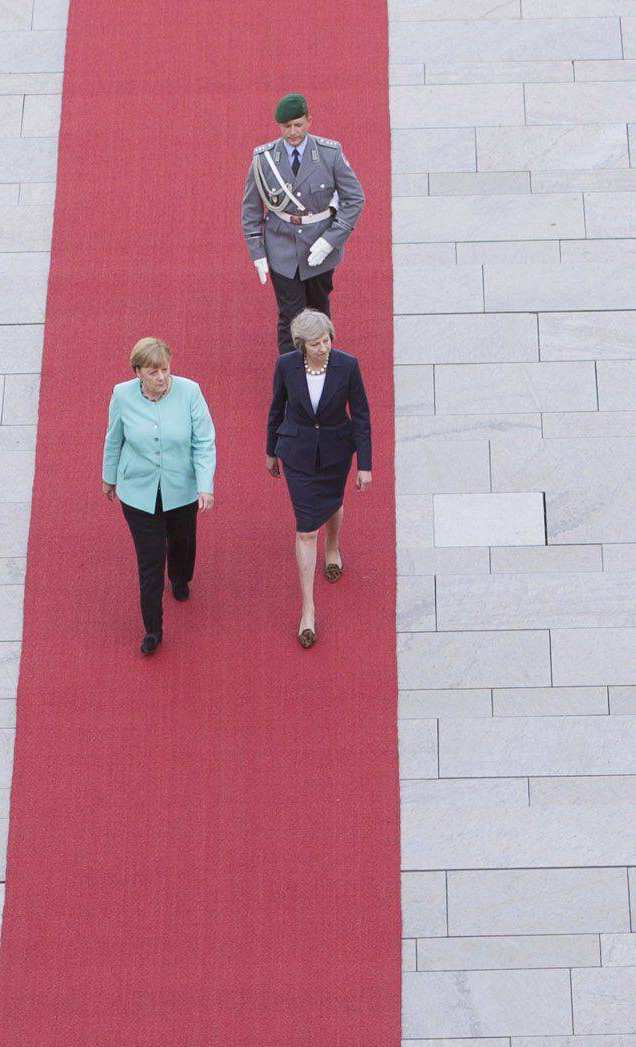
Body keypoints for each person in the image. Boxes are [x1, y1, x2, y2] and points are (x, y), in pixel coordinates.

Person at [102, 337, 216, 657]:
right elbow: (114, 440)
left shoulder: (190, 392)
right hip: (138, 494)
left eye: (165, 369)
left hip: (181, 490)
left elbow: (204, 441)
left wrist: (204, 485)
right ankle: (153, 629)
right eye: (153, 372)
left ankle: (180, 578)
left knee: (183, 544)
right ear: (138, 371)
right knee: (150, 562)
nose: (162, 377)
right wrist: (109, 478)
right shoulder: (122, 395)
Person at [266, 311, 372, 648]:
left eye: (326, 340)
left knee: (333, 504)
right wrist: (270, 450)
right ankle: (308, 609)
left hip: (335, 453)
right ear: (302, 346)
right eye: (315, 344)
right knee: (305, 526)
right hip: (297, 453)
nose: (323, 348)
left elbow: (362, 416)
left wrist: (365, 465)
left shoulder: (348, 365)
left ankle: (333, 546)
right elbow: (276, 407)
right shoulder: (285, 366)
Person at [242, 92, 366, 356]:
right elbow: (251, 208)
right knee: (290, 316)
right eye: (286, 126)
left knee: (319, 309)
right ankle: (291, 376)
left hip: (319, 247)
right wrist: (258, 252)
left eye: (298, 125)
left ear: (309, 121)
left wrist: (331, 239)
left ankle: (322, 364)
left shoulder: (329, 153)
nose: (292, 132)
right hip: (282, 249)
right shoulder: (263, 160)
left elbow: (354, 198)